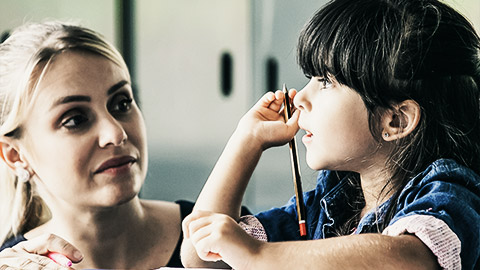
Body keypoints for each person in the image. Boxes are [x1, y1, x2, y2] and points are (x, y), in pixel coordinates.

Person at [181, 0, 480, 269]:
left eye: (325, 81)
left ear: (395, 121)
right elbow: (200, 257)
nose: (299, 98)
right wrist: (246, 140)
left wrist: (258, 256)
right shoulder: (332, 200)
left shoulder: (449, 192)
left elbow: (409, 259)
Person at [0, 21, 195, 269]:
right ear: (16, 155)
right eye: (75, 119)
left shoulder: (229, 234)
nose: (115, 133)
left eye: (122, 103)